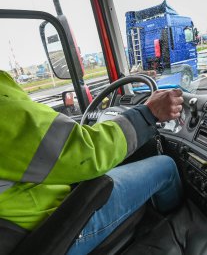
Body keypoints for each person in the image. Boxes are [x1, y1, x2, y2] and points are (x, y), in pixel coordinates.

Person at [0, 70, 184, 255]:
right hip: (55, 226)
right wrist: (147, 113)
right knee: (165, 167)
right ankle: (182, 232)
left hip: (23, 230)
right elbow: (84, 153)